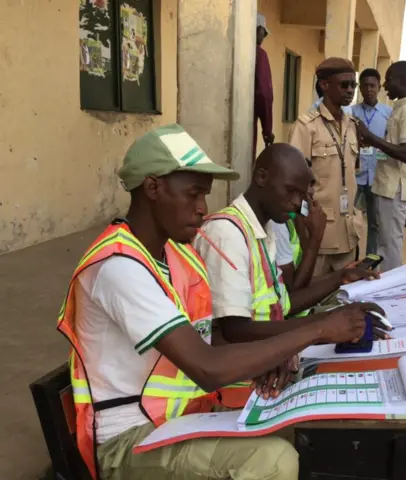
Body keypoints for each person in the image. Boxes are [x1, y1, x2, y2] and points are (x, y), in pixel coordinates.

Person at [58, 124, 382, 479]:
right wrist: (319, 329)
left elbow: (212, 337)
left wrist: (266, 361)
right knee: (272, 461)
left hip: (178, 418)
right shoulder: (119, 266)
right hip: (131, 441)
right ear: (153, 188)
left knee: (285, 422)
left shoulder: (173, 254)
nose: (203, 208)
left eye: (205, 195)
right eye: (194, 194)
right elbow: (207, 366)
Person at [289, 58, 364, 275]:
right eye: (344, 85)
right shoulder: (306, 126)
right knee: (313, 301)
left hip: (349, 232)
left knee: (344, 299)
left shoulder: (351, 125)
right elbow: (295, 183)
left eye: (353, 85)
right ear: (324, 85)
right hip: (319, 235)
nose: (350, 90)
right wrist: (303, 230)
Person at [356, 61, 406, 271]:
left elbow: (405, 153)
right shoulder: (401, 108)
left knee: (390, 244)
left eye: (388, 79)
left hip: (395, 188)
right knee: (383, 243)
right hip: (387, 185)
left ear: (402, 81)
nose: (384, 85)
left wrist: (371, 137)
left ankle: (390, 289)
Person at [350, 68, 393, 255]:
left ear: (379, 87)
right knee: (349, 217)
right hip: (355, 175)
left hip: (376, 175)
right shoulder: (351, 112)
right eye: (365, 85)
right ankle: (351, 255)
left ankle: (370, 260)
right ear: (360, 88)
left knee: (375, 222)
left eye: (372, 86)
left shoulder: (388, 113)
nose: (368, 89)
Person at [254, 13, 274, 160]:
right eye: (263, 33)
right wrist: (267, 130)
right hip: (246, 121)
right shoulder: (259, 54)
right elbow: (264, 94)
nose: (264, 37)